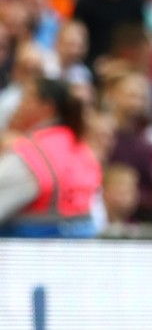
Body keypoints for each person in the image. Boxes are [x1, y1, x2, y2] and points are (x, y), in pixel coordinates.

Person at [0, 77, 101, 237]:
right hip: (80, 246)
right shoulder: (83, 149)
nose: (18, 106)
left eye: (26, 98)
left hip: (32, 247)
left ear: (47, 107)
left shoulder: (30, 154)